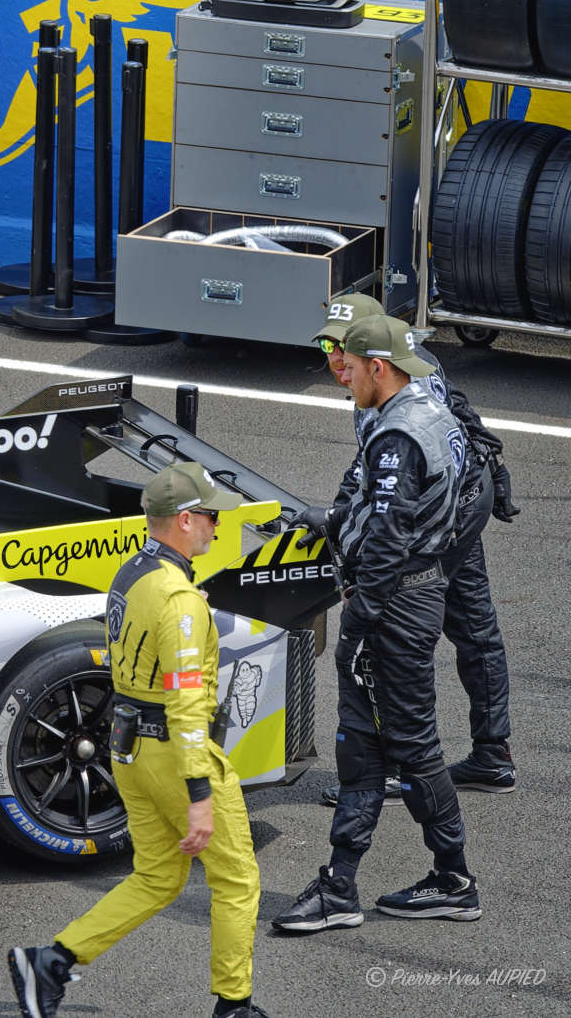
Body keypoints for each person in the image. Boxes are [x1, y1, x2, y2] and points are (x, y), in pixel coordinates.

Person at [7, 462, 266, 1018]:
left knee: (157, 877)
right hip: (175, 754)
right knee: (238, 879)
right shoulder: (180, 600)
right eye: (211, 517)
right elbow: (188, 705)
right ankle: (235, 1005)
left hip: (128, 750)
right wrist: (200, 793)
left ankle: (52, 961)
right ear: (185, 520)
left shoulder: (132, 571)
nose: (218, 527)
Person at [274, 314, 478, 933]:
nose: (344, 378)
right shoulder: (430, 411)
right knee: (363, 745)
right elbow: (397, 510)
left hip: (394, 606)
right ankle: (340, 887)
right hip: (414, 593)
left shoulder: (397, 437)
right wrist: (332, 518)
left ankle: (454, 880)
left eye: (352, 368)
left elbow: (389, 537)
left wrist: (359, 621)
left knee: (410, 747)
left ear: (378, 367)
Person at [310, 292, 517, 804]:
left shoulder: (394, 381)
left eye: (343, 347)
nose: (335, 359)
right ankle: (492, 755)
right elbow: (383, 452)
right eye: (326, 346)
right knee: (473, 625)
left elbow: (390, 493)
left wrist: (344, 530)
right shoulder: (398, 361)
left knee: (394, 624)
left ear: (371, 349)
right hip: (460, 496)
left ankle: (396, 766)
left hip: (446, 508)